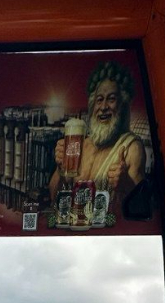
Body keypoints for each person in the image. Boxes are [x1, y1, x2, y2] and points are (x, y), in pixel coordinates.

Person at [50, 60, 145, 202]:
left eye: (111, 99)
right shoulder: (82, 146)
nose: (104, 107)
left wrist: (127, 184)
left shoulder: (132, 148)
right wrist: (60, 170)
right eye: (99, 100)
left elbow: (143, 205)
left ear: (122, 105)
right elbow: (54, 197)